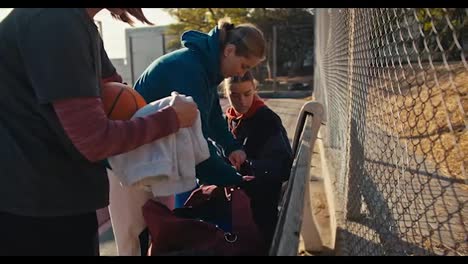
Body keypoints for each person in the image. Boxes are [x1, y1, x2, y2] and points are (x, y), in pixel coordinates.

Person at [0, 8, 197, 256]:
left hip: (49, 204)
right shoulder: (55, 21)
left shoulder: (76, 22)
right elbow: (95, 139)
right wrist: (171, 119)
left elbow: (115, 92)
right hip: (37, 212)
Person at [134, 18, 267, 208]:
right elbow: (196, 146)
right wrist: (234, 179)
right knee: (138, 233)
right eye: (244, 65)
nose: (240, 73)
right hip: (131, 158)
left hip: (153, 156)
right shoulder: (190, 71)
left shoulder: (205, 67)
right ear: (229, 51)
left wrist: (231, 147)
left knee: (161, 226)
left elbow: (212, 118)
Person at [223, 71, 293, 247]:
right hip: (239, 196)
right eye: (234, 95)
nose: (242, 101)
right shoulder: (230, 118)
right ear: (225, 93)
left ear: (255, 89)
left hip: (259, 205)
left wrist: (246, 165)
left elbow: (283, 167)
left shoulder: (266, 120)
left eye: (247, 94)